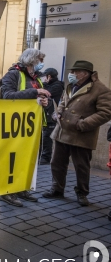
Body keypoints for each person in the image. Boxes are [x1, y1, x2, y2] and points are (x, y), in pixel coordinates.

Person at [42, 61, 111, 206]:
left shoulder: (100, 89)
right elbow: (63, 101)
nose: (71, 74)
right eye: (71, 71)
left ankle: (82, 192)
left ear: (85, 73)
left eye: (75, 71)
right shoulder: (71, 85)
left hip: (81, 134)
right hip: (63, 131)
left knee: (81, 166)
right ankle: (57, 189)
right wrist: (58, 112)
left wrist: (83, 123)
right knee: (57, 162)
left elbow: (106, 112)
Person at [0, 48, 50, 207]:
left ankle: (21, 188)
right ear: (31, 60)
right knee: (12, 160)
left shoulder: (35, 77)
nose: (40, 64)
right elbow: (7, 96)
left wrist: (44, 102)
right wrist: (35, 92)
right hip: (14, 125)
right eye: (39, 60)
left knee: (25, 159)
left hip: (30, 127)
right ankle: (7, 192)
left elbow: (37, 98)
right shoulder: (13, 74)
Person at [40, 68, 64, 165]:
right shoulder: (50, 85)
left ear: (49, 76)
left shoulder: (57, 86)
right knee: (44, 135)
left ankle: (46, 157)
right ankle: (43, 155)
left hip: (51, 114)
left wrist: (43, 86)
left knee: (47, 136)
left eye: (45, 76)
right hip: (46, 114)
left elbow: (47, 93)